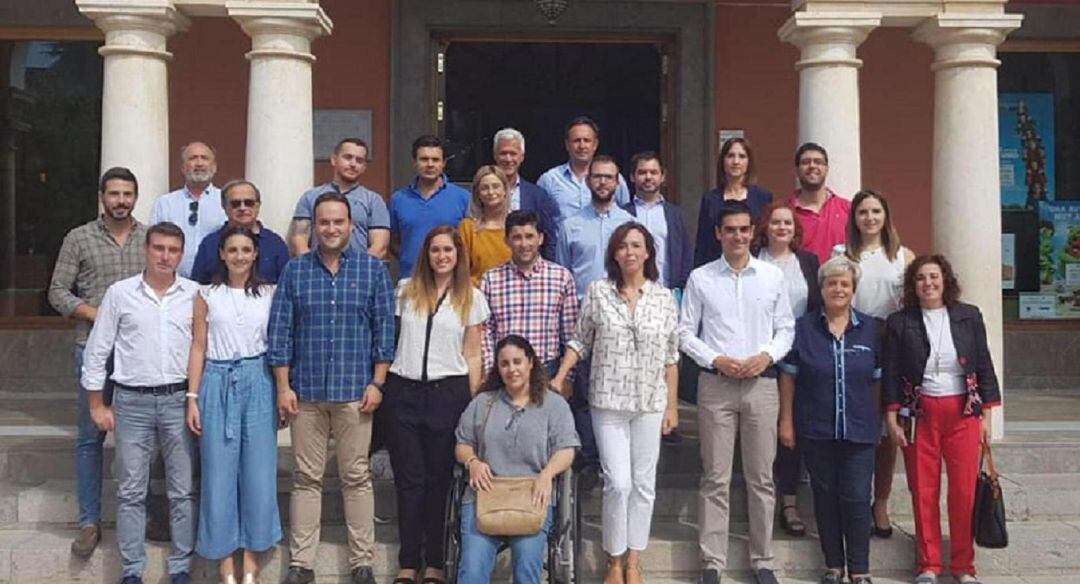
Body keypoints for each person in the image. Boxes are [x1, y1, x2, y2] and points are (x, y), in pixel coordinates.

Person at [268, 192, 395, 584]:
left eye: (339, 222)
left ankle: (362, 562)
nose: (331, 229)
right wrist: (283, 387)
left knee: (356, 477)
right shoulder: (295, 271)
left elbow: (384, 332)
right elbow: (280, 332)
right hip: (305, 393)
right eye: (324, 222)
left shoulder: (373, 271)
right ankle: (301, 563)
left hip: (356, 393)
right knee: (306, 478)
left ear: (352, 226)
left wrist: (378, 382)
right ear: (314, 226)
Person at [551, 223, 680, 584]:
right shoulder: (598, 292)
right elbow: (580, 341)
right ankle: (614, 560)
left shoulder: (664, 298)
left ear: (648, 252)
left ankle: (634, 561)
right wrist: (561, 376)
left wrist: (671, 406)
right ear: (614, 254)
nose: (629, 252)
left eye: (636, 245)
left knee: (643, 484)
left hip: (650, 402)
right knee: (618, 483)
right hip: (608, 401)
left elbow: (672, 356)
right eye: (622, 246)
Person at [679, 200, 794, 584]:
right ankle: (712, 562)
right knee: (715, 477)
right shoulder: (701, 278)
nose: (738, 236)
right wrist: (716, 359)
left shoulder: (771, 277)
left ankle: (763, 560)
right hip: (717, 385)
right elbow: (683, 333)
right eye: (730, 230)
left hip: (762, 385)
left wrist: (767, 356)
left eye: (744, 229)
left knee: (761, 478)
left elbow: (786, 329)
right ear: (718, 234)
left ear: (752, 232)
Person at [81, 222, 199, 584]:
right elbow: (98, 349)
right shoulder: (120, 293)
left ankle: (181, 568)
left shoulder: (195, 293)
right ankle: (132, 571)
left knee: (182, 490)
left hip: (178, 399)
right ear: (146, 250)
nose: (165, 256)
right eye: (159, 248)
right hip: (131, 401)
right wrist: (97, 404)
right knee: (131, 490)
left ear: (181, 254)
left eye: (173, 250)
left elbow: (202, 350)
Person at [48, 167, 148, 559]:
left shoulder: (149, 237)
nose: (121, 200)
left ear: (135, 198)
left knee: (142, 438)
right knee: (91, 439)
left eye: (127, 194)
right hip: (93, 350)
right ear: (102, 197)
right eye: (114, 194)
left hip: (140, 353)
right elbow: (56, 291)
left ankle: (144, 515)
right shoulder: (79, 237)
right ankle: (89, 521)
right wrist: (96, 313)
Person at [883, 255, 1000, 584]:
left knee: (963, 492)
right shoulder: (899, 322)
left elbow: (984, 364)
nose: (928, 283)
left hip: (964, 413)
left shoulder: (968, 316)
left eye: (934, 276)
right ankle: (928, 565)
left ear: (945, 280)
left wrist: (987, 416)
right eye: (920, 278)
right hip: (919, 415)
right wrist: (892, 417)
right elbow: (891, 371)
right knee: (923, 491)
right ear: (912, 285)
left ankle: (963, 566)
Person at [386, 225, 490, 584]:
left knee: (439, 480)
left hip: (449, 393)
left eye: (448, 250)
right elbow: (391, 341)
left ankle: (434, 563)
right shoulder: (404, 291)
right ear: (426, 255)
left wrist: (474, 401)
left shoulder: (471, 297)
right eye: (435, 250)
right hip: (405, 391)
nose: (441, 256)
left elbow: (473, 353)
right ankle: (407, 562)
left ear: (458, 255)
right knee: (409, 480)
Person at [186, 226, 281, 584]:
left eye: (246, 249)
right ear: (222, 254)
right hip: (216, 380)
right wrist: (192, 397)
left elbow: (277, 343)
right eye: (232, 250)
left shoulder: (270, 294)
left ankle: (252, 565)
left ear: (255, 254)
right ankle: (226, 567)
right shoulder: (206, 294)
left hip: (258, 379)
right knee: (218, 475)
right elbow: (198, 345)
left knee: (258, 475)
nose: (239, 256)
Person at [778, 256, 881, 584]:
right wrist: (786, 422)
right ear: (820, 289)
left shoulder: (873, 329)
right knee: (824, 497)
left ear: (854, 290)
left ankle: (860, 569)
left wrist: (879, 421)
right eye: (831, 283)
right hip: (817, 426)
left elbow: (878, 381)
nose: (838, 289)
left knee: (856, 496)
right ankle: (833, 566)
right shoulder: (803, 328)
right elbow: (789, 379)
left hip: (860, 428)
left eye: (845, 284)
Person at [455, 335, 579, 584]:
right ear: (498, 369)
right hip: (486, 495)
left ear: (530, 362)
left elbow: (567, 449)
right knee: (472, 571)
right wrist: (473, 462)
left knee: (527, 567)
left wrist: (547, 474)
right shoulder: (483, 403)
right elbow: (463, 444)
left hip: (533, 495)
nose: (512, 369)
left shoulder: (553, 405)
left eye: (517, 362)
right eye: (504, 364)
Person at [831, 189, 915, 540]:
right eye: (863, 212)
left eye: (875, 211)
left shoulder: (903, 256)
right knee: (854, 424)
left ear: (885, 216)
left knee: (888, 428)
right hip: (854, 342)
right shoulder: (841, 254)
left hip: (892, 344)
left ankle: (880, 501)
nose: (869, 218)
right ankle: (851, 499)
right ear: (854, 218)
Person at [555, 155, 635, 482]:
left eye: (609, 178)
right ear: (588, 181)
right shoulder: (569, 224)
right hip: (583, 320)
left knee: (620, 391)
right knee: (586, 393)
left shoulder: (629, 225)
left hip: (622, 322)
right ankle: (589, 461)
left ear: (618, 183)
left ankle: (616, 462)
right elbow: (563, 275)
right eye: (597, 177)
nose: (603, 182)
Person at [752, 201, 823, 538]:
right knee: (768, 427)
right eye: (776, 222)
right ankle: (764, 491)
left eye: (788, 223)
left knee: (792, 426)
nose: (782, 228)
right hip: (763, 353)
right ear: (764, 227)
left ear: (796, 230)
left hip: (801, 352)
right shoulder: (753, 262)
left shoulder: (808, 263)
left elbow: (818, 306)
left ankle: (790, 500)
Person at [480, 210, 578, 376]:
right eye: (517, 237)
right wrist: (491, 372)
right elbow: (485, 332)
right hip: (505, 373)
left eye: (529, 236)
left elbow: (571, 334)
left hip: (547, 372)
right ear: (507, 241)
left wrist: (566, 377)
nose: (524, 244)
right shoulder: (491, 280)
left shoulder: (561, 277)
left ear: (540, 239)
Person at [290, 137, 390, 259]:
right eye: (348, 157)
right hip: (318, 273)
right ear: (334, 160)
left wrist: (359, 269)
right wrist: (312, 269)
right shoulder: (310, 197)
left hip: (359, 273)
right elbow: (298, 240)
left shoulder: (374, 201)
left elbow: (380, 247)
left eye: (359, 160)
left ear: (364, 167)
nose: (353, 164)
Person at [390, 135, 471, 279]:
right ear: (415, 161)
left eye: (435, 160)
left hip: (451, 281)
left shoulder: (463, 198)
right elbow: (393, 241)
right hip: (411, 279)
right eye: (424, 159)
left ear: (444, 163)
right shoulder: (399, 199)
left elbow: (470, 240)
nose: (430, 164)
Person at [150, 141, 227, 278]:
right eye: (193, 158)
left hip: (216, 285)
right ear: (183, 168)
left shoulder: (226, 201)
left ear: (214, 167)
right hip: (174, 286)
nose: (199, 163)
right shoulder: (165, 203)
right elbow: (153, 244)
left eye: (204, 158)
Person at [191, 179, 290, 284]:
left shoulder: (275, 244)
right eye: (235, 204)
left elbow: (285, 287)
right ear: (224, 207)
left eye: (249, 203)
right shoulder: (210, 244)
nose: (242, 208)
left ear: (258, 206)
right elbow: (197, 287)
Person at [695, 137, 774, 267]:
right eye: (730, 156)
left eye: (742, 156)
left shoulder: (763, 198)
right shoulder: (710, 199)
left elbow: (767, 240)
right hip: (717, 269)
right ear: (723, 161)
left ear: (749, 162)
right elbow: (703, 243)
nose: (736, 161)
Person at [622, 151, 693, 292]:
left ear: (662, 177)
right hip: (630, 292)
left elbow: (687, 255)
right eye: (642, 172)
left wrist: (681, 288)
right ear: (632, 177)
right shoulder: (622, 214)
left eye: (653, 172)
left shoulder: (676, 215)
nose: (648, 177)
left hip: (667, 292)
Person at [538, 116, 630, 220]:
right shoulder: (549, 180)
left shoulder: (613, 178)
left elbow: (625, 215)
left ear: (595, 144)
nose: (582, 146)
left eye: (587, 140)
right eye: (576, 141)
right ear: (567, 145)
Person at [492, 128, 561, 260]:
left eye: (513, 153)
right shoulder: (483, 194)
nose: (508, 159)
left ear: (522, 156)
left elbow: (549, 241)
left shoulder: (538, 196)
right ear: (495, 156)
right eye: (503, 153)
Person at [787, 142, 850, 264]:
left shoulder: (847, 209)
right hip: (799, 281)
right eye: (805, 162)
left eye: (818, 162)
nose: (812, 166)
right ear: (796, 171)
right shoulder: (784, 212)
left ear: (826, 169)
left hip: (837, 281)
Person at [459, 165, 512, 286]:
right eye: (484, 188)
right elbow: (461, 270)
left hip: (512, 296)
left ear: (505, 190)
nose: (491, 192)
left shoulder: (516, 224)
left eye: (496, 186)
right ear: (477, 193)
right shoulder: (467, 228)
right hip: (477, 295)